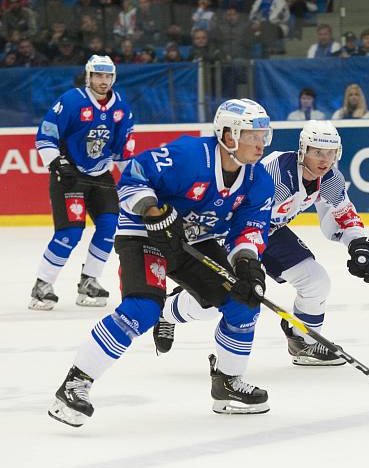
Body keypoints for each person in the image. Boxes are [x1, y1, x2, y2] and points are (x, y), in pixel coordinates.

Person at [48, 99, 275, 427]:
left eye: (263, 135)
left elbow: (250, 228)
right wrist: (153, 212)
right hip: (145, 234)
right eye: (252, 135)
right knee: (142, 308)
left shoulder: (259, 180)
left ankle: (227, 383)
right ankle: (74, 384)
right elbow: (133, 177)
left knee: (244, 303)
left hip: (193, 240)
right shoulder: (190, 156)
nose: (260, 143)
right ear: (228, 134)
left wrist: (246, 262)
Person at [151, 120, 369, 367]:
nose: (325, 160)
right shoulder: (276, 175)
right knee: (219, 301)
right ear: (303, 150)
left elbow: (341, 212)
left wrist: (359, 243)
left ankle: (303, 342)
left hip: (271, 231)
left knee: (316, 281)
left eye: (330, 153)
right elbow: (233, 206)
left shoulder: (330, 178)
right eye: (317, 152)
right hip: (236, 231)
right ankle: (167, 310)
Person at [29, 55, 136, 311]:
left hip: (101, 175)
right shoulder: (71, 101)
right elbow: (45, 135)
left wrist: (135, 180)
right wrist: (57, 164)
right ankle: (42, 284)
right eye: (98, 75)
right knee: (71, 232)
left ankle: (90, 280)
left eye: (108, 76)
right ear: (88, 76)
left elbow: (123, 151)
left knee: (110, 226)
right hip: (70, 176)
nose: (103, 81)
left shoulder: (121, 107)